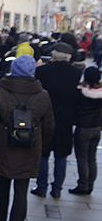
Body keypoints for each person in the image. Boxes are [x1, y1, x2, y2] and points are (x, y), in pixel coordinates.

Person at [0, 55, 54, 221]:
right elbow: (49, 126)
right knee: (21, 191)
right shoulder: (43, 94)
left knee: (3, 183)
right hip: (29, 147)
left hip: (4, 144)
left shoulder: (1, 91)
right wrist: (43, 148)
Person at [32, 42, 83, 199]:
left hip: (45, 118)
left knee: (43, 154)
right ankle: (57, 188)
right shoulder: (76, 73)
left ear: (53, 55)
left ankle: (41, 187)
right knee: (61, 156)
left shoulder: (42, 71)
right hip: (65, 120)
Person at [70, 66, 102, 195]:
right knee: (92, 158)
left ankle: (83, 185)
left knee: (82, 158)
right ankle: (90, 184)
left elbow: (75, 107)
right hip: (96, 127)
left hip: (83, 127)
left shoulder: (80, 92)